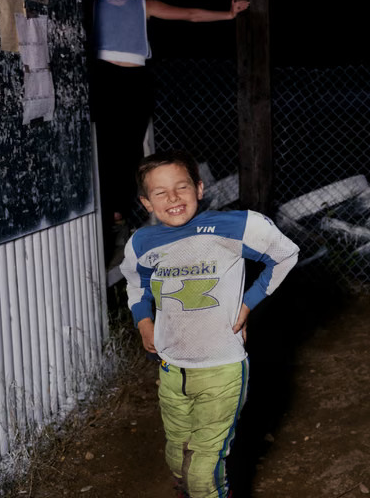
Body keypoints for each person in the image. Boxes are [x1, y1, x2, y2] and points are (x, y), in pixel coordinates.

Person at [120, 150, 300, 498]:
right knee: (179, 459)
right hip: (172, 368)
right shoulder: (141, 242)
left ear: (199, 188)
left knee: (205, 470)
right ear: (146, 202)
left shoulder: (233, 226)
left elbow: (285, 253)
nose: (173, 198)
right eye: (160, 192)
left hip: (222, 369)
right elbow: (135, 282)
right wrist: (143, 321)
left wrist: (247, 303)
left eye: (182, 186)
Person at [91, 0, 249, 265]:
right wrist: (228, 14)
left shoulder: (100, 6)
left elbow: (190, 14)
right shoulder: (139, 5)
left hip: (110, 82)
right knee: (125, 151)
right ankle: (115, 217)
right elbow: (190, 15)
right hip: (127, 82)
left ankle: (115, 217)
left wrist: (228, 14)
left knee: (110, 150)